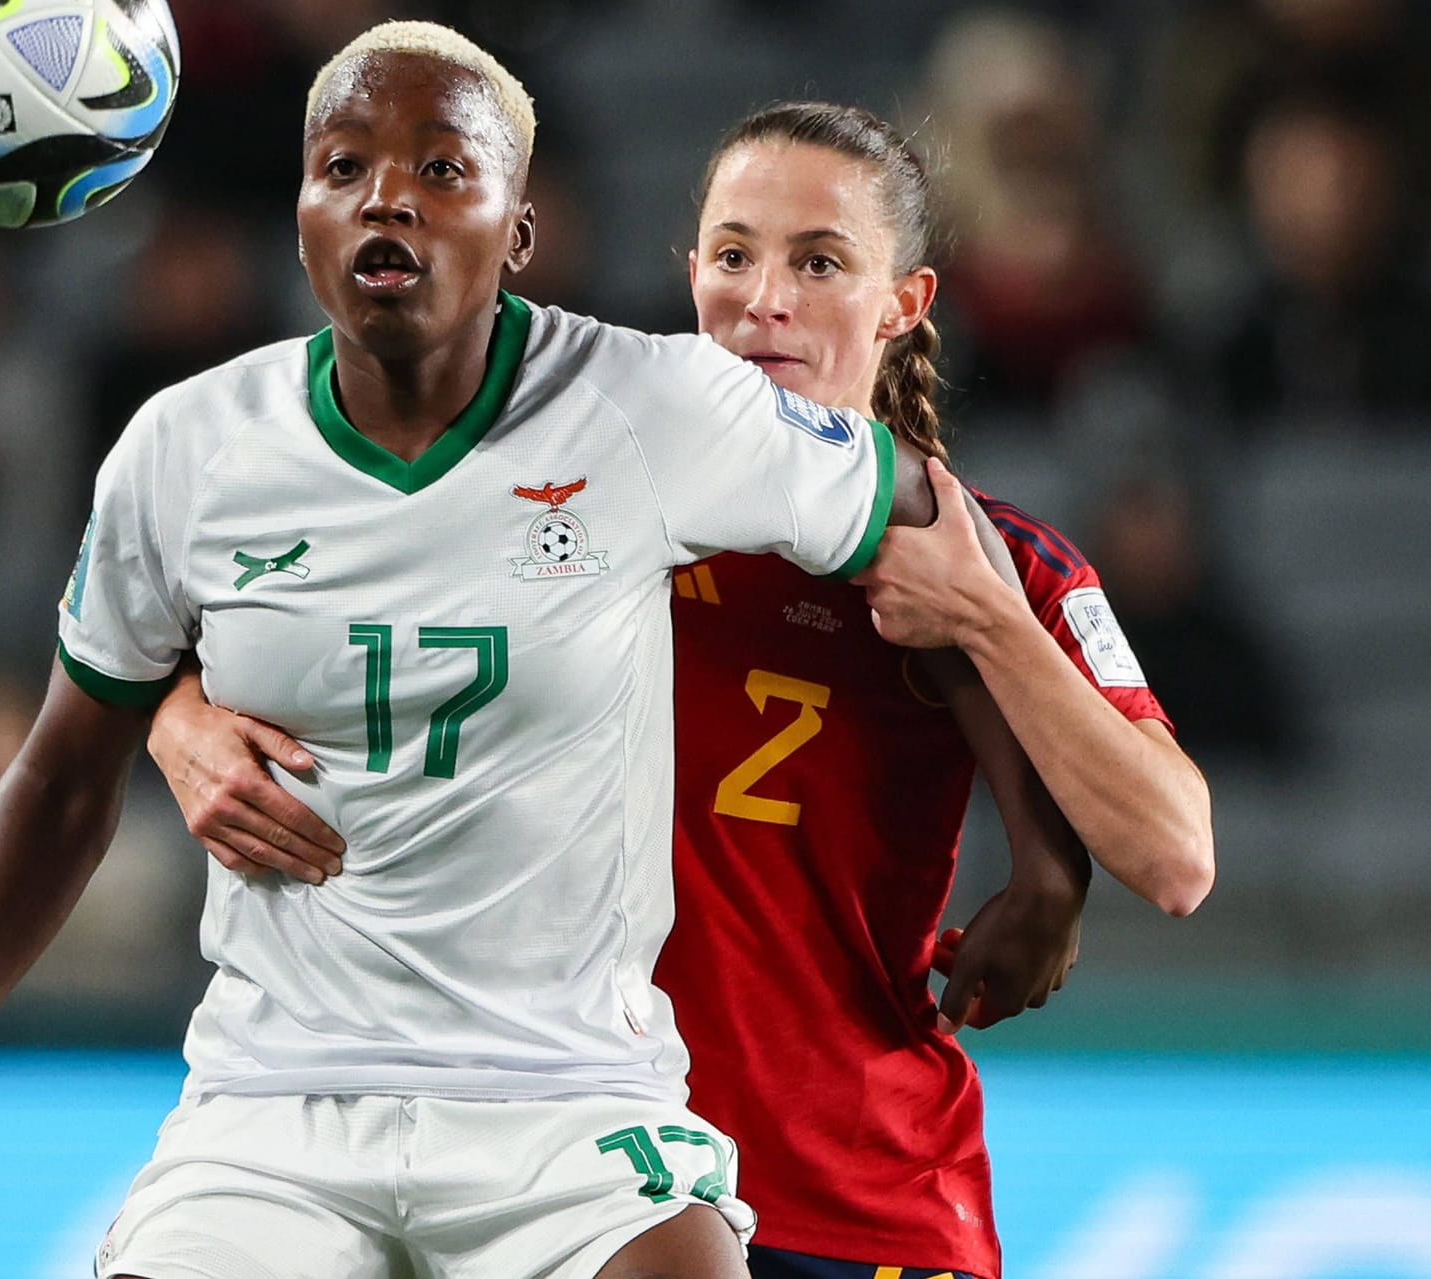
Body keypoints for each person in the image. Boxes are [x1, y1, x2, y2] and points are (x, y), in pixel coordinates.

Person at [0, 24, 1051, 1279]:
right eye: (345, 167)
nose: (388, 198)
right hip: (276, 1108)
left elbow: (939, 525)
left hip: (569, 1102)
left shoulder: (656, 406)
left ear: (517, 231)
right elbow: (60, 778)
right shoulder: (185, 449)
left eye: (440, 168)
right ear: (302, 219)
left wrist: (1042, 852)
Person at [152, 99, 1216, 1279]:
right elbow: (199, 614)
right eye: (734, 255)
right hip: (560, 1192)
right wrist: (176, 722)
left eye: (819, 263)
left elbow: (1176, 857)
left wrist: (990, 629)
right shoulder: (560, 499)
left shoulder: (994, 559)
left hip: (857, 1194)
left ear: (903, 303)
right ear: (691, 273)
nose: (765, 300)